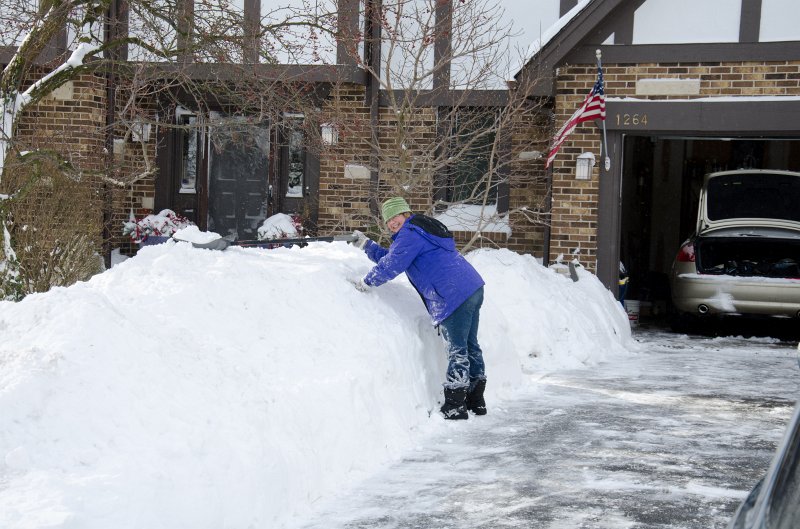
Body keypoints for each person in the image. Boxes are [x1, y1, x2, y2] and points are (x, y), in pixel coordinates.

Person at [350, 197, 487, 420]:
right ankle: (476, 401)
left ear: (405, 213)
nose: (392, 223)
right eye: (388, 222)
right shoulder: (419, 230)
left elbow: (392, 265)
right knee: (470, 345)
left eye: (395, 217)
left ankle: (455, 405)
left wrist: (367, 282)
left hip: (453, 294)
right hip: (471, 287)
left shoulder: (410, 234)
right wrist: (368, 246)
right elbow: (394, 257)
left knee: (457, 349)